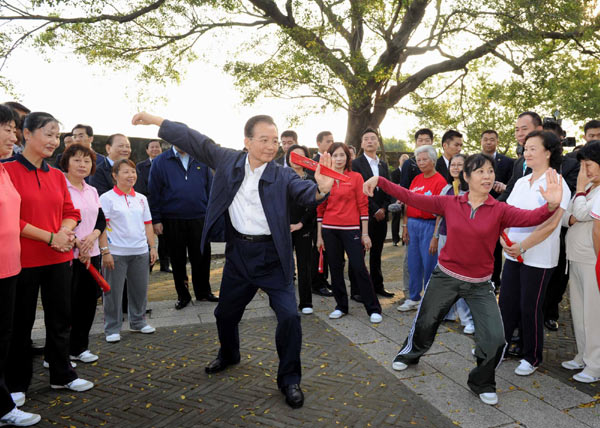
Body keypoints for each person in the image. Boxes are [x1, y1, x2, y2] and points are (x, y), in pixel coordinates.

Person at [131, 111, 334, 409]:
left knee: (290, 317)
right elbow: (192, 138)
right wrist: (154, 120)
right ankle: (229, 354)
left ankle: (290, 379)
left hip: (272, 256)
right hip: (239, 254)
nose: (271, 146)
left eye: (275, 140)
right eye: (264, 139)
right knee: (224, 314)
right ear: (247, 141)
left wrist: (321, 189)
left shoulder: (283, 173)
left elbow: (304, 193)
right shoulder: (227, 160)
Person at [364, 153, 564, 405]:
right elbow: (410, 197)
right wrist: (380, 179)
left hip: (480, 284)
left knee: (495, 338)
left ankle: (482, 381)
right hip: (445, 277)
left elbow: (531, 219)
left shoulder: (499, 209)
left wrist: (550, 206)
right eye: (480, 171)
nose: (488, 176)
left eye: (490, 171)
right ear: (466, 177)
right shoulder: (450, 203)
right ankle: (410, 354)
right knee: (426, 322)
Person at [4, 112, 94, 404]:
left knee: (60, 319)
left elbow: (72, 212)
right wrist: (50, 237)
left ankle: (62, 374)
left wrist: (64, 232)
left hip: (58, 260)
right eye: (49, 134)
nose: (54, 141)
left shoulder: (56, 175)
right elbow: (8, 219)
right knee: (21, 324)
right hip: (23, 261)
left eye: (57, 136)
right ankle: (16, 383)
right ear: (26, 134)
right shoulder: (7, 171)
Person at [499, 131, 570, 376]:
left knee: (530, 306)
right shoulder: (520, 181)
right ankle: (502, 347)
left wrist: (524, 245)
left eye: (532, 148)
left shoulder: (558, 184)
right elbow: (505, 214)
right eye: (525, 149)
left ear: (548, 152)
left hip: (538, 257)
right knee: (507, 304)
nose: (526, 153)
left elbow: (551, 224)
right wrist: (503, 237)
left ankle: (532, 356)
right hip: (511, 253)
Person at [0, 104, 41, 426]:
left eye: (14, 130)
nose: (12, 136)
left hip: (10, 268)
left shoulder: (3, 170)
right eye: (7, 129)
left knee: (6, 336)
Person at [316, 143, 383, 323]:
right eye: (335, 155)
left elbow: (363, 206)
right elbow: (320, 209)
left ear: (348, 157)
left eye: (342, 155)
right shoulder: (323, 178)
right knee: (335, 269)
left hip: (351, 230)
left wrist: (365, 234)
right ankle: (341, 306)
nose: (338, 159)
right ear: (329, 158)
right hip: (330, 230)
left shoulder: (356, 177)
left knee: (359, 267)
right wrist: (319, 236)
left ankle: (373, 308)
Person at [148, 142, 216, 310]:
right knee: (177, 260)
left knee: (202, 257)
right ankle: (183, 295)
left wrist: (211, 215)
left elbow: (211, 188)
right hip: (172, 219)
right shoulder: (160, 161)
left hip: (199, 218)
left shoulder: (201, 159)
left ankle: (203, 292)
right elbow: (154, 192)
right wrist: (156, 219)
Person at [99, 159, 157, 343]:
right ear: (115, 176)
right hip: (115, 253)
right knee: (113, 293)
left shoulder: (141, 198)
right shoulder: (106, 198)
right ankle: (112, 328)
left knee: (139, 290)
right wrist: (105, 252)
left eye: (133, 171)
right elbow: (101, 227)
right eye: (125, 172)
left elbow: (148, 224)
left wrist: (152, 246)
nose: (131, 175)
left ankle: (138, 322)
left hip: (140, 251)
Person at [60, 144, 105, 364]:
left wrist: (93, 237)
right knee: (65, 305)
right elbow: (56, 219)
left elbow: (101, 219)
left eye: (87, 161)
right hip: (68, 254)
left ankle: (80, 347)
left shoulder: (92, 190)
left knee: (87, 303)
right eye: (77, 160)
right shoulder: (60, 187)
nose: (82, 164)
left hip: (92, 253)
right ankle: (58, 352)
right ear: (66, 162)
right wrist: (77, 242)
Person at [561, 141, 600, 383]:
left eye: (589, 165)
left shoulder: (589, 190)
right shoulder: (587, 190)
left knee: (592, 314)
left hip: (591, 259)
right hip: (574, 257)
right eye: (583, 165)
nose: (585, 170)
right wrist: (579, 199)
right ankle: (582, 355)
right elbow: (565, 216)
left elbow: (583, 214)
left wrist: (579, 190)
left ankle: (595, 365)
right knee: (578, 311)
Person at [397, 145, 447, 312]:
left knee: (429, 264)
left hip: (429, 225)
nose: (421, 163)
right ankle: (414, 297)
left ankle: (430, 301)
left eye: (425, 159)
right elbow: (407, 202)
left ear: (433, 160)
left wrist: (435, 235)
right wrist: (404, 226)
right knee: (413, 263)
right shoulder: (416, 180)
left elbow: (441, 211)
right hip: (412, 224)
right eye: (418, 160)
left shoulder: (440, 181)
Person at [433, 154, 474, 334]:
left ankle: (468, 318)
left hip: (464, 240)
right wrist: (435, 236)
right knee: (446, 276)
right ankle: (448, 312)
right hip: (444, 236)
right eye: (453, 164)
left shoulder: (472, 190)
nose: (456, 167)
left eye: (460, 164)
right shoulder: (447, 189)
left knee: (462, 279)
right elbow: (439, 214)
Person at [351, 128, 394, 298]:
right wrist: (374, 208)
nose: (370, 141)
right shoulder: (356, 164)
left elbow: (388, 188)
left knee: (377, 253)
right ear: (362, 143)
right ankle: (357, 291)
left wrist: (383, 208)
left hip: (381, 217)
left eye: (373, 139)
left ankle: (378, 286)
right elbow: (358, 190)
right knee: (359, 254)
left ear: (377, 142)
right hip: (363, 216)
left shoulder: (383, 164)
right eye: (366, 139)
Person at [480, 129, 515, 293]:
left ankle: (494, 281)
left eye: (492, 139)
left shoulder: (508, 162)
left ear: (497, 142)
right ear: (481, 142)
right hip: (478, 208)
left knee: (495, 247)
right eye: (485, 139)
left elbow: (513, 186)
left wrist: (504, 188)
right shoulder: (473, 161)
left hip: (498, 208)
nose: (488, 142)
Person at [286, 144, 317, 314]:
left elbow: (313, 206)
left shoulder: (311, 180)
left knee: (304, 266)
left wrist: (301, 224)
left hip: (304, 227)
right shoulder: (281, 177)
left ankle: (306, 303)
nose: (297, 159)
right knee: (284, 267)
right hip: (284, 228)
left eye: (301, 155)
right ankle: (284, 302)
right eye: (293, 155)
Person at [135, 140, 171, 273]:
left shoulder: (166, 165)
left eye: (157, 147)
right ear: (147, 150)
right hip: (145, 206)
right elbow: (140, 187)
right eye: (152, 147)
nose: (155, 149)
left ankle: (164, 264)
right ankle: (147, 265)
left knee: (164, 237)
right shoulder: (140, 166)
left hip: (163, 207)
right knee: (146, 236)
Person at [310, 131, 335, 297]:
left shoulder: (333, 162)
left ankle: (323, 278)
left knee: (326, 249)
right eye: (328, 141)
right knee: (317, 248)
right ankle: (316, 283)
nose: (331, 144)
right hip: (315, 213)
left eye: (332, 141)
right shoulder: (312, 163)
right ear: (319, 143)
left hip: (331, 213)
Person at [390, 153, 409, 246]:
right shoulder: (394, 173)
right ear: (399, 161)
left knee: (406, 219)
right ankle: (395, 239)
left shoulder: (410, 172)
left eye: (406, 160)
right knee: (395, 219)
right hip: (396, 199)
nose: (405, 161)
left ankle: (404, 239)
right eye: (403, 159)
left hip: (407, 199)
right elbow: (393, 187)